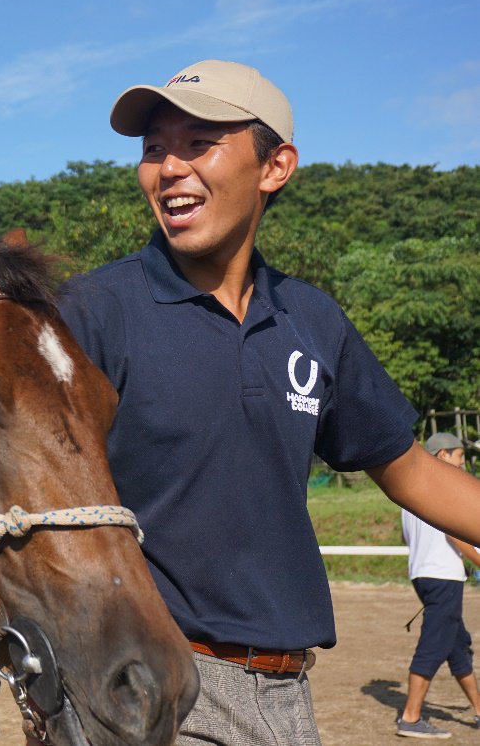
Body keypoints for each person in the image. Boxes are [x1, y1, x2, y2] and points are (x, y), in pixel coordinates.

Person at [56, 59, 480, 746]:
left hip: (285, 694)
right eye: (153, 147)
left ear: (274, 166)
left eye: (198, 143)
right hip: (147, 686)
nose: (167, 168)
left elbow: (412, 471)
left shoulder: (310, 319)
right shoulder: (90, 311)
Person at [396, 431, 480, 739]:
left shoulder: (410, 488)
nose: (462, 463)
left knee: (457, 646)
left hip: (422, 573)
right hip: (444, 575)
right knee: (434, 644)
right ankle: (410, 717)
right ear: (442, 455)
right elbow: (455, 534)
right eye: (459, 456)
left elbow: (406, 536)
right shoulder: (445, 484)